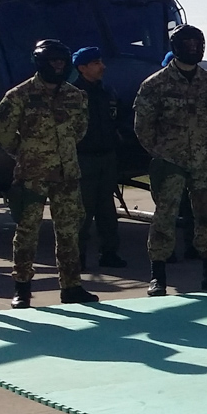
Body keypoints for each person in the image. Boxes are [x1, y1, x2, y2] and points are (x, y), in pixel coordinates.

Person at [135, 24, 207, 296]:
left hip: (205, 161)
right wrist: (163, 151)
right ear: (176, 47)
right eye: (188, 44)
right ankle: (158, 276)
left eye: (197, 44)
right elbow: (143, 127)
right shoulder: (155, 84)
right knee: (165, 217)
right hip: (170, 162)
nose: (193, 49)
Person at [0, 40, 95, 308]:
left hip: (66, 174)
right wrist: (27, 152)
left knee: (69, 231)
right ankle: (22, 288)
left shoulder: (76, 96)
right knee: (27, 231)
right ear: (41, 63)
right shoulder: (19, 95)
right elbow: (3, 134)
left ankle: (71, 286)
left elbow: (79, 130)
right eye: (53, 62)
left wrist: (61, 151)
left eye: (62, 62)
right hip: (32, 175)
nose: (58, 67)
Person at [69, 47, 126, 271]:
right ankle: (77, 256)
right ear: (82, 68)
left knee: (107, 209)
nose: (102, 66)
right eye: (95, 63)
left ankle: (109, 253)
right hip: (83, 158)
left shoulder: (107, 92)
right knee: (81, 210)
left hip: (107, 157)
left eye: (101, 61)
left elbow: (118, 119)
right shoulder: (72, 95)